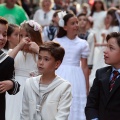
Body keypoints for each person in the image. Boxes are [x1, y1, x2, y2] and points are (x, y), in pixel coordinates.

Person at [20, 41, 72, 120]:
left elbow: (62, 116)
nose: (40, 63)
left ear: (57, 64)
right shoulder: (29, 83)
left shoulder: (64, 87)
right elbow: (25, 113)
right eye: (39, 58)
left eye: (46, 59)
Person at [54, 13, 89, 120]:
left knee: (75, 102)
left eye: (77, 22)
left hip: (76, 77)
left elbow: (85, 66)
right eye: (72, 23)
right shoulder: (57, 42)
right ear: (65, 27)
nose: (76, 25)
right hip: (59, 73)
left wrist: (87, 86)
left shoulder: (83, 43)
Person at [5, 20, 43, 120]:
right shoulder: (14, 52)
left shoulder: (39, 55)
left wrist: (38, 50)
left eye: (27, 35)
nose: (23, 39)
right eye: (20, 35)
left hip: (33, 90)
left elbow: (48, 67)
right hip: (16, 91)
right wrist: (19, 46)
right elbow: (6, 62)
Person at [85, 32, 120, 120]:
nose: (105, 51)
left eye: (111, 48)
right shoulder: (101, 73)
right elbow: (91, 105)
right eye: (106, 46)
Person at [0, 17, 20, 120]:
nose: (2, 38)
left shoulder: (7, 60)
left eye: (4, 34)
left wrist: (11, 84)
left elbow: (15, 85)